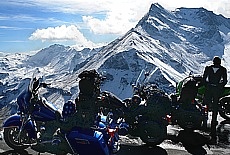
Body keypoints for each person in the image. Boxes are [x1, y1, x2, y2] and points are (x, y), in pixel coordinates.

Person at [202, 56, 227, 144]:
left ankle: (204, 120)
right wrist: (219, 87)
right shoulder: (223, 69)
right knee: (215, 105)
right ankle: (213, 121)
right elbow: (224, 81)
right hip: (216, 90)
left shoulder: (208, 68)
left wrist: (206, 85)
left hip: (209, 89)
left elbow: (204, 78)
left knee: (205, 104)